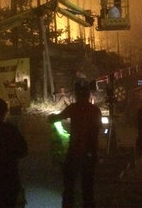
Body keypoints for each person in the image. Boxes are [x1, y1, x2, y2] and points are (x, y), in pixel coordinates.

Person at [48, 80, 102, 208]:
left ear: (76, 94)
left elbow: (56, 117)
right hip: (90, 153)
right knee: (87, 188)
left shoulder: (73, 108)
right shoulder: (95, 110)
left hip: (74, 152)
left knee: (69, 187)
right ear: (88, 94)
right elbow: (98, 129)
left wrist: (51, 117)